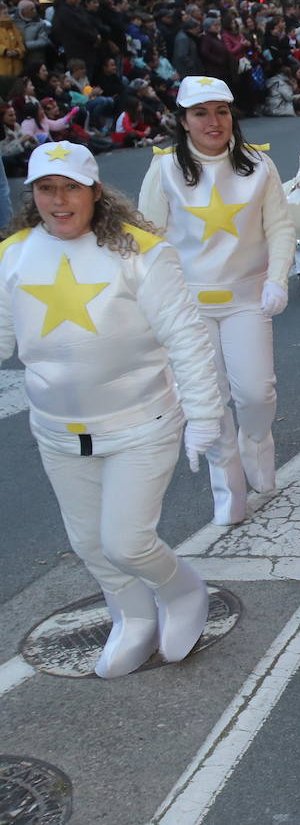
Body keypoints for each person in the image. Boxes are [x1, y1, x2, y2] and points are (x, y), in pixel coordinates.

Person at [1, 141, 222, 678]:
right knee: (90, 544)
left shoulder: (141, 252)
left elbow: (187, 337)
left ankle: (183, 589)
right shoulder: (14, 253)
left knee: (127, 540)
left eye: (71, 187)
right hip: (57, 431)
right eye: (47, 188)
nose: (59, 200)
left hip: (140, 424)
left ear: (95, 192)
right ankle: (132, 616)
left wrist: (205, 415)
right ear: (33, 195)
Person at [137, 76, 295, 528]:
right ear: (184, 121)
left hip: (248, 298)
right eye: (200, 113)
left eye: (221, 111)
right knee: (208, 397)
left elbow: (280, 227)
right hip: (189, 306)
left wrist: (278, 279)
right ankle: (228, 490)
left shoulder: (257, 165)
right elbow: (149, 240)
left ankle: (258, 442)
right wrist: (157, 301)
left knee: (255, 392)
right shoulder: (165, 168)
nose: (213, 122)